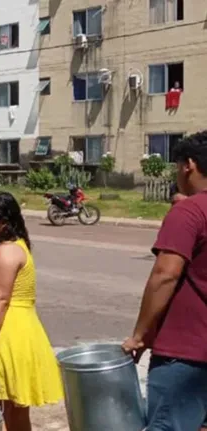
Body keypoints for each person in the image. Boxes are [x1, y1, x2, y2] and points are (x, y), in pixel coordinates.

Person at [122, 131, 207, 431]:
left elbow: (165, 275)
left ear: (189, 166)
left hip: (185, 355)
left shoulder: (190, 212)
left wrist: (140, 335)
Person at [0, 191, 63, 431]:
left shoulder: (7, 252)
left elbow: (0, 299)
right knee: (12, 408)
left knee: (3, 405)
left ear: (4, 222)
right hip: (18, 327)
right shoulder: (15, 246)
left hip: (8, 333)